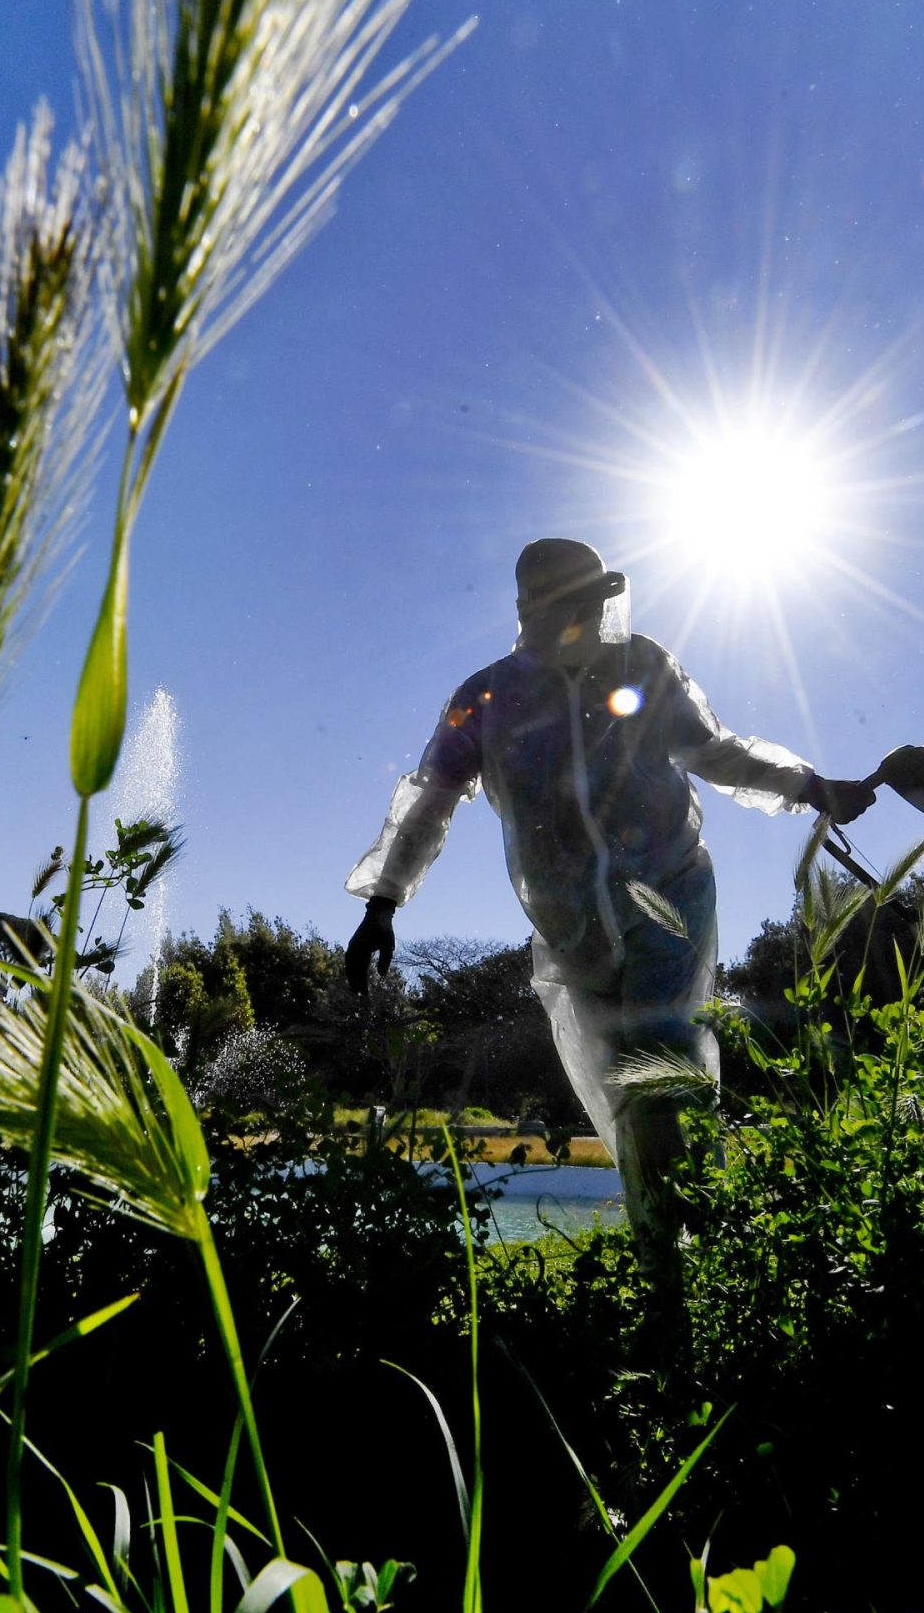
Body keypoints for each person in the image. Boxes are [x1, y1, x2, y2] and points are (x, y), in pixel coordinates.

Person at [344, 538, 871, 1259]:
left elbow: (716, 753)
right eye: (577, 605)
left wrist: (812, 785)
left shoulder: (640, 667)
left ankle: (692, 1263)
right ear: (539, 613)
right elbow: (429, 802)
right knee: (627, 1094)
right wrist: (383, 901)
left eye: (599, 602)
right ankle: (672, 1264)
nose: (593, 616)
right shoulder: (487, 700)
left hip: (672, 896)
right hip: (574, 931)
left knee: (658, 1069)